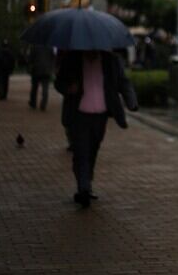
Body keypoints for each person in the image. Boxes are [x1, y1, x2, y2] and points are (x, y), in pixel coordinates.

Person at [55, 50, 138, 208]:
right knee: (81, 152)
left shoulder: (111, 60)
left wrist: (131, 101)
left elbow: (123, 82)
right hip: (78, 115)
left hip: (100, 115)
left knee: (92, 149)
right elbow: (58, 82)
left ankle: (87, 183)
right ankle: (83, 188)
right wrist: (68, 88)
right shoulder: (72, 59)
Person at [28, 45, 55, 111]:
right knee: (45, 89)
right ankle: (43, 104)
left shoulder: (35, 46)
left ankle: (33, 103)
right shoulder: (50, 46)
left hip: (36, 69)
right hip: (46, 71)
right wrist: (51, 68)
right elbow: (53, 58)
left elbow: (30, 58)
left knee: (34, 88)